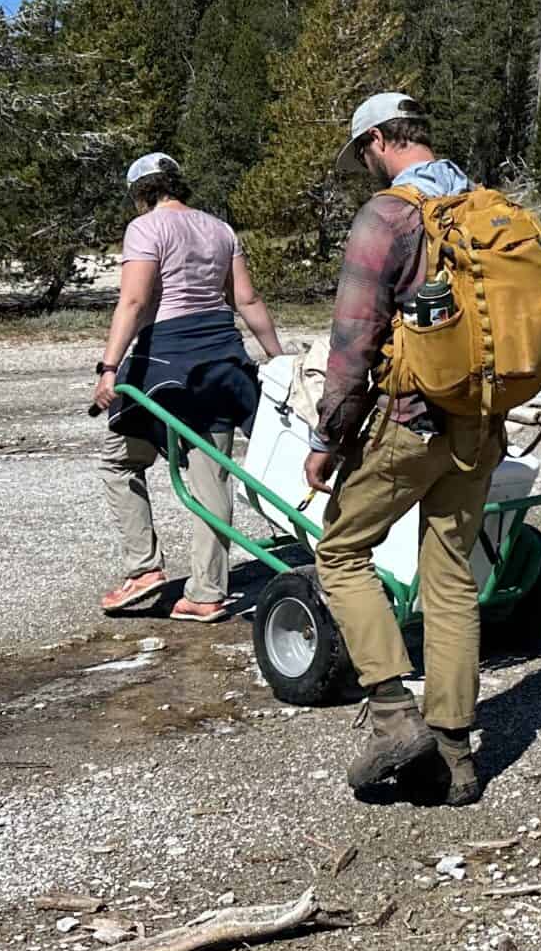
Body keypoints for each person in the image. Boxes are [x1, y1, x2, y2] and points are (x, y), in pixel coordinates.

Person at [305, 90, 500, 803]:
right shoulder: (484, 207)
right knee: (450, 576)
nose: (364, 164)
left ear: (383, 139)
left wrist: (328, 437)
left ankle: (393, 717)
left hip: (407, 419)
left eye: (364, 151)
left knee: (340, 552)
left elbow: (353, 340)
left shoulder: (389, 215)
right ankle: (456, 757)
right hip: (479, 423)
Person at [93, 152, 289, 620]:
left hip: (168, 358)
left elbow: (136, 300)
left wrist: (108, 367)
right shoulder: (219, 228)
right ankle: (206, 593)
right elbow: (246, 298)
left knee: (119, 460)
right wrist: (278, 359)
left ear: (142, 193)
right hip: (223, 355)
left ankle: (143, 569)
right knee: (210, 472)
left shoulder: (147, 228)